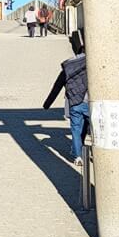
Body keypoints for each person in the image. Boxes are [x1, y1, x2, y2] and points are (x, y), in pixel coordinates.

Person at [42, 32, 90, 166]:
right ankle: (91, 153)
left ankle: (78, 156)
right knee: (89, 127)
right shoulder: (92, 65)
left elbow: (57, 86)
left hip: (74, 102)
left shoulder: (68, 66)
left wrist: (47, 104)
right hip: (89, 102)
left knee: (75, 128)